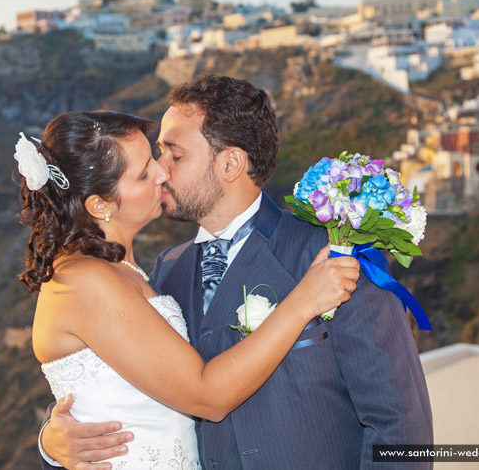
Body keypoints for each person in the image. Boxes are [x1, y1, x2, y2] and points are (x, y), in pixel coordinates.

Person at [39, 76, 434, 470]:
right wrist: (53, 441)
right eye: (156, 157)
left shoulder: (332, 254)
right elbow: (125, 383)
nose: (160, 171)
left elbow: (399, 423)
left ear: (231, 163)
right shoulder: (164, 273)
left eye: (174, 155)